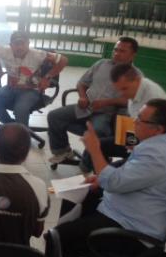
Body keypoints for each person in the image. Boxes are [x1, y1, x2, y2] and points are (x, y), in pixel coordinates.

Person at [56, 99, 166, 257]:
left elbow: (113, 182)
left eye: (140, 120)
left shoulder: (157, 156)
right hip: (133, 211)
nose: (134, 122)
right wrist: (101, 177)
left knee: (60, 235)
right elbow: (131, 174)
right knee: (80, 198)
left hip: (133, 232)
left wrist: (94, 149)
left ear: (158, 129)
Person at [47, 36, 139, 164]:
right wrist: (83, 96)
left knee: (97, 132)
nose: (117, 54)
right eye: (115, 50)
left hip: (107, 114)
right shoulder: (101, 64)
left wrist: (106, 103)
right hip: (86, 107)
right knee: (54, 116)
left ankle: (88, 164)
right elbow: (82, 83)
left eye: (122, 51)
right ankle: (63, 152)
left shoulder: (135, 76)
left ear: (133, 55)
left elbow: (131, 101)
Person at [79, 63, 166, 172]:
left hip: (154, 151)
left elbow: (159, 134)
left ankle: (97, 178)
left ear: (137, 79)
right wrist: (130, 141)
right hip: (138, 140)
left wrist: (134, 145)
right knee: (97, 145)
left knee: (108, 172)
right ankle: (92, 173)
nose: (122, 94)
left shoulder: (153, 98)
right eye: (119, 90)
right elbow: (135, 124)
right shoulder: (135, 91)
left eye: (125, 88)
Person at [0, 31, 68, 126]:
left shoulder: (38, 54)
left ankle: (21, 137)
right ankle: (12, 126)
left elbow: (63, 60)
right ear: (10, 45)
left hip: (31, 91)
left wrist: (47, 77)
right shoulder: (4, 51)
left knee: (20, 109)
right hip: (10, 88)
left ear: (28, 44)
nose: (20, 47)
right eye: (16, 44)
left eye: (23, 43)